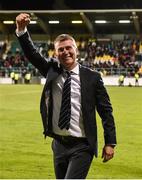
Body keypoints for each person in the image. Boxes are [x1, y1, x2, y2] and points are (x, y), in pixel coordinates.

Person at [15, 13, 117, 179]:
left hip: (82, 145)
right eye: (60, 49)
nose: (65, 52)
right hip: (58, 145)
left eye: (69, 48)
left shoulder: (92, 77)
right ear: (56, 54)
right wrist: (21, 30)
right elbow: (32, 54)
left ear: (76, 50)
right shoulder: (52, 71)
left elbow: (106, 111)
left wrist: (110, 142)